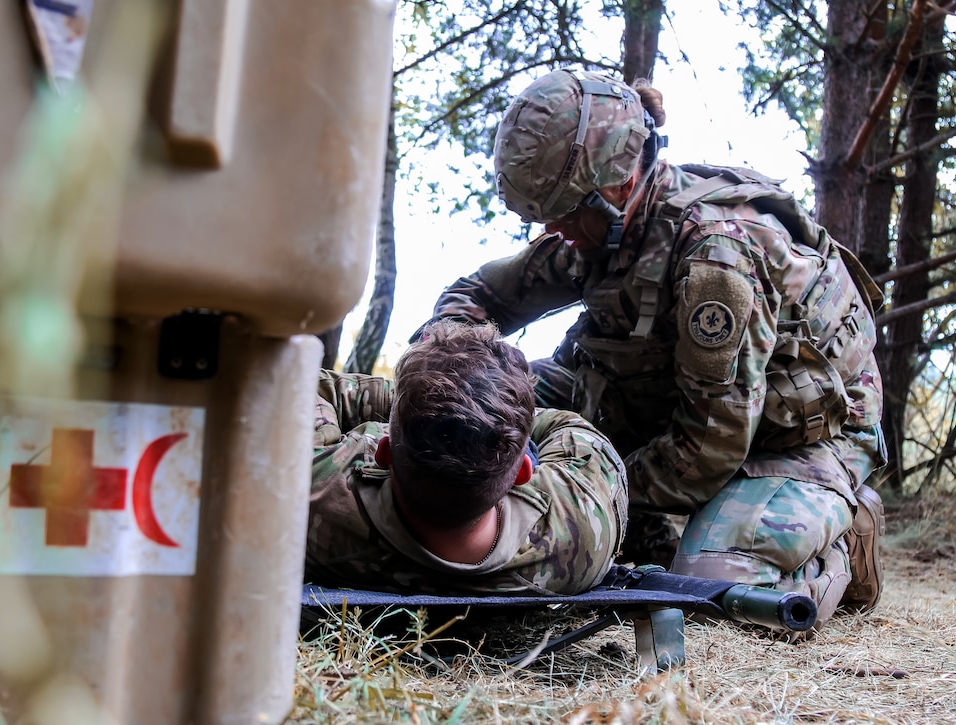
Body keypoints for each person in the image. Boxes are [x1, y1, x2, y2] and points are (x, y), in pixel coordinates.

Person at [417, 69, 887, 631]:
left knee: (713, 583)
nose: (552, 227)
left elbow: (707, 452)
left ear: (615, 185)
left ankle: (845, 531)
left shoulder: (718, 259)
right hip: (669, 403)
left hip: (797, 433)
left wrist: (581, 489)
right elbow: (480, 294)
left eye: (563, 211)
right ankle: (642, 528)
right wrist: (446, 374)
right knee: (496, 399)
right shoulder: (598, 232)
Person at [307, 319, 627, 595]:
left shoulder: (308, 498)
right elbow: (572, 429)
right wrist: (497, 415)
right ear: (522, 473)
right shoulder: (583, 529)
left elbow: (307, 387)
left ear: (384, 452)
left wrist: (420, 403)